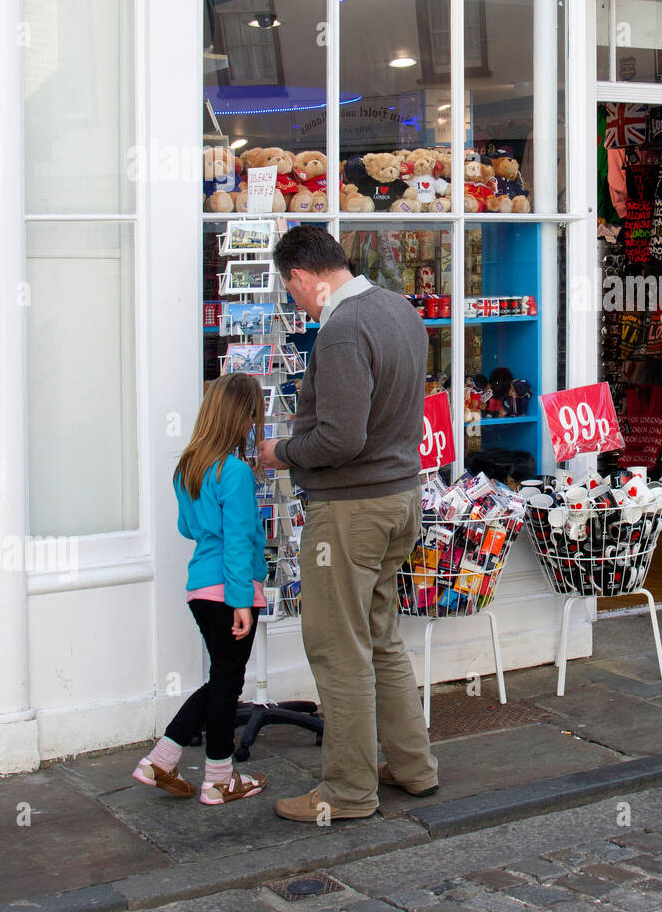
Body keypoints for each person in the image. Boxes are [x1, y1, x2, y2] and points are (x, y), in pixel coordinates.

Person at [259, 225, 438, 822]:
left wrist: (280, 453)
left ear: (305, 276)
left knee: (339, 652)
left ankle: (348, 793)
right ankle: (413, 768)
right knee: (381, 638)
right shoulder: (399, 310)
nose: (294, 301)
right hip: (400, 498)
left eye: (291, 290)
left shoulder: (340, 331)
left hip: (350, 512)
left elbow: (339, 438)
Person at [131, 372, 269, 805]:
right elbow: (240, 539)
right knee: (227, 684)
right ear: (241, 417)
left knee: (220, 681)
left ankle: (162, 758)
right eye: (253, 417)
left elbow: (189, 528)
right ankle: (219, 779)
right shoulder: (236, 473)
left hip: (199, 589)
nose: (253, 425)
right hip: (231, 590)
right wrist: (242, 601)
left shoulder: (188, 468)